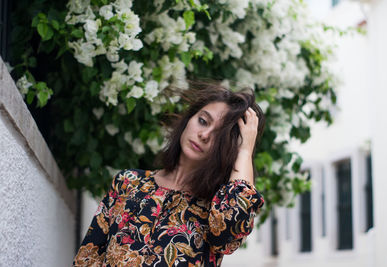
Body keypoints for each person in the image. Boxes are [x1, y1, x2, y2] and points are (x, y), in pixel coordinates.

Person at [73, 82, 266, 266]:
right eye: (202, 121)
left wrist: (245, 150)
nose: (204, 135)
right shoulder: (127, 182)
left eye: (218, 136)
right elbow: (88, 257)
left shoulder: (214, 209)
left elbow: (231, 228)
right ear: (188, 119)